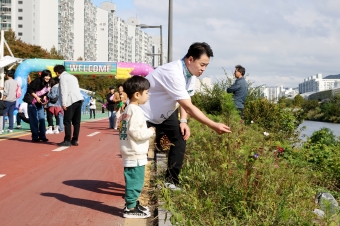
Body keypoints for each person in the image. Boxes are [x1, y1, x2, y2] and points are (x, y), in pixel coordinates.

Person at [140, 42, 231, 189]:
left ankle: (171, 181)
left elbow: (186, 100)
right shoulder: (173, 72)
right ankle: (134, 193)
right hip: (145, 113)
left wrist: (183, 121)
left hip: (165, 113)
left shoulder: (190, 74)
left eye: (206, 65)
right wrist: (213, 125)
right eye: (202, 64)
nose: (203, 69)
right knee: (138, 151)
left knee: (180, 136)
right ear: (190, 59)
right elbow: (189, 106)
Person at [119, 76, 155, 218]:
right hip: (135, 152)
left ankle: (133, 203)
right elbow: (136, 132)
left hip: (129, 150)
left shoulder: (127, 109)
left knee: (133, 179)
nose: (148, 95)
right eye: (146, 92)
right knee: (136, 180)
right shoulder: (136, 110)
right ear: (137, 94)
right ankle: (130, 208)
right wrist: (150, 132)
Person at [54, 65, 84, 147]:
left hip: (70, 100)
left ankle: (67, 140)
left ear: (57, 72)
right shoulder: (73, 77)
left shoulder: (63, 77)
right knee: (76, 122)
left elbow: (64, 90)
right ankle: (75, 140)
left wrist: (64, 103)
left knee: (67, 121)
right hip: (79, 99)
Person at [26, 70, 52, 142]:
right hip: (32, 102)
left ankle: (42, 136)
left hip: (40, 103)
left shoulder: (48, 83)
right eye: (46, 76)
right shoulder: (36, 81)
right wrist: (37, 97)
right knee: (34, 119)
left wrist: (44, 98)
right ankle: (35, 136)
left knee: (42, 119)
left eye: (49, 76)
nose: (48, 77)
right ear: (43, 76)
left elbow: (45, 93)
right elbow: (30, 90)